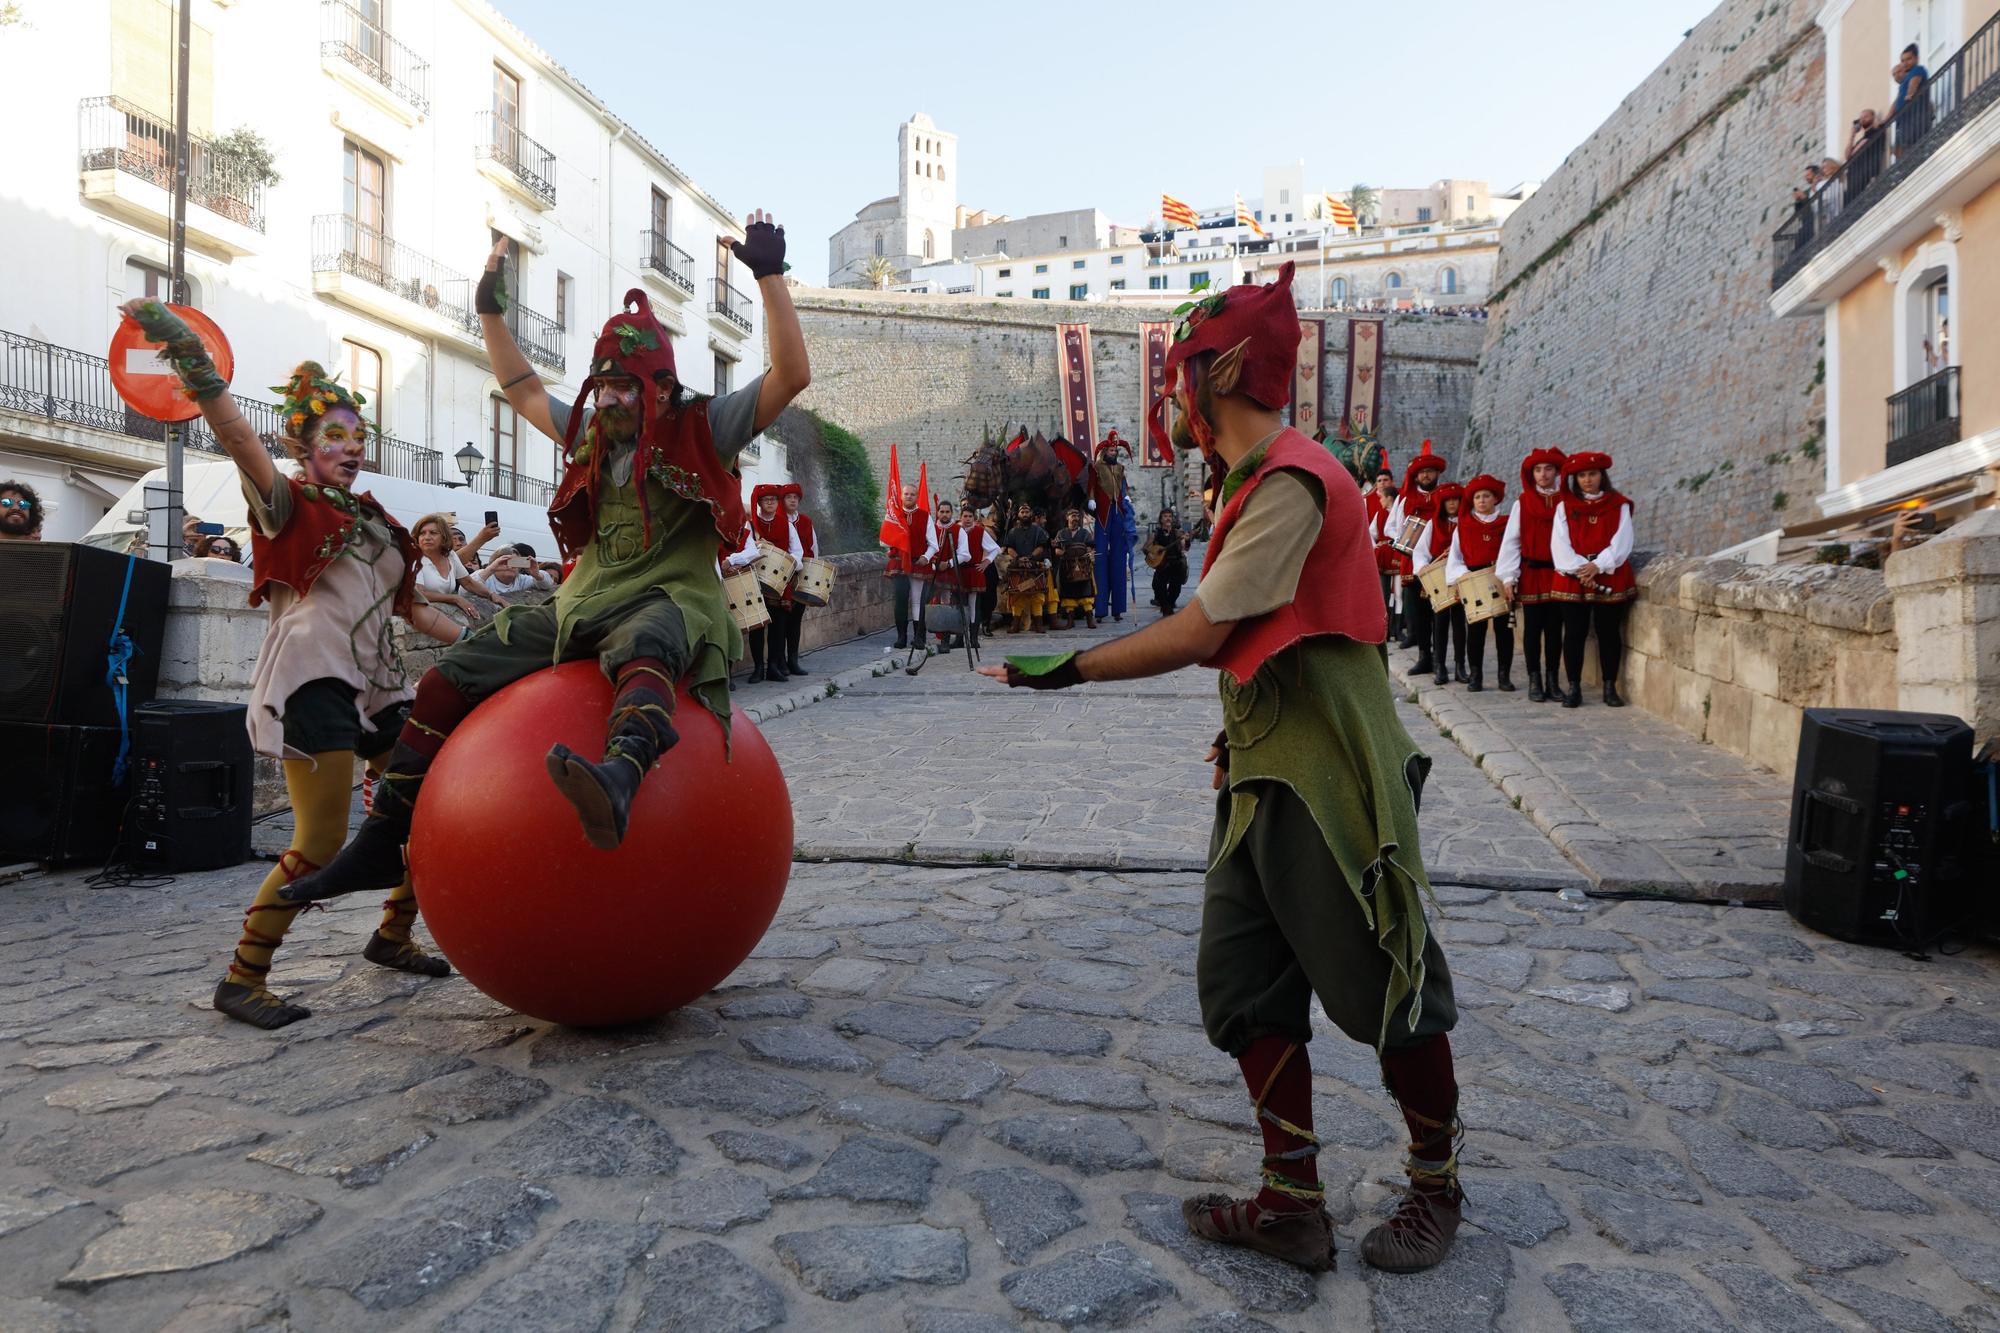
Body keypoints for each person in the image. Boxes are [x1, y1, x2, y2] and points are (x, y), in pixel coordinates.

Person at [982, 262, 1464, 1276]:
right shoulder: (1253, 479)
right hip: (1260, 772)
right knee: (1241, 981)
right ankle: (1291, 1201)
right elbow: (1248, 640)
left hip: (1327, 778)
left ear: (1219, 371)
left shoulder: (1290, 477)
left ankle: (1435, 1183)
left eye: (1180, 370)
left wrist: (1066, 666)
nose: (1169, 392)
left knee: (1388, 982)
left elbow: (1208, 629)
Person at [283, 216, 807, 898]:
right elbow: (524, 388)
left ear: (657, 384)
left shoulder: (702, 424)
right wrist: (488, 311)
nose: (613, 398)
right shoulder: (592, 432)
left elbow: (791, 374)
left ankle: (620, 776)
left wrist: (769, 278)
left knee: (647, 643)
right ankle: (385, 837)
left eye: (627, 385)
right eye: (605, 384)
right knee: (452, 675)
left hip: (670, 600)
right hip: (578, 603)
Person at [116, 303, 469, 1029]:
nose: (351, 446)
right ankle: (243, 977)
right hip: (315, 683)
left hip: (379, 688)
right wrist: (196, 365)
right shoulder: (288, 504)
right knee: (320, 841)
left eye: (358, 435)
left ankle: (391, 935)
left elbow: (412, 609)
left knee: (425, 814)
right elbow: (237, 435)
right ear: (302, 444)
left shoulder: (373, 520)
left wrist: (482, 635)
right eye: (333, 435)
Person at [1550, 451, 1635, 708]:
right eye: (1582, 475)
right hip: (1574, 575)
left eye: (1592, 474)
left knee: (1608, 632)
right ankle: (1574, 686)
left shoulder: (1619, 504)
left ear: (1602, 476)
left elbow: (1623, 540)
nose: (1588, 480)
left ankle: (1610, 686)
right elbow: (1559, 543)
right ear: (1576, 479)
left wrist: (1598, 565)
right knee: (1574, 633)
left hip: (1608, 573)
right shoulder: (1565, 506)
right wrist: (1582, 568)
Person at [1496, 447, 1566, 703]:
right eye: (1538, 470)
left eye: (1548, 469)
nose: (1543, 474)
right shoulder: (1522, 503)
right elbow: (1512, 541)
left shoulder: (1566, 501)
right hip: (1532, 572)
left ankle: (1553, 680)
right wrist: (1508, 577)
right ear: (1532, 473)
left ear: (1557, 472)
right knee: (1533, 629)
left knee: (1555, 629)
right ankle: (1534, 679)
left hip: (1559, 573)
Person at [1447, 474, 1513, 692]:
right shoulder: (1464, 526)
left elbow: (1514, 551)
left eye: (1486, 496)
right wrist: (1463, 577)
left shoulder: (1507, 524)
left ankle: (1504, 675)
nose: (1482, 501)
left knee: (1504, 629)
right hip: (1474, 578)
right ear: (1472, 501)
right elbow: (1455, 556)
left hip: (1500, 576)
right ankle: (1476, 674)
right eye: (1477, 497)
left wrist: (1511, 576)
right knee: (1475, 629)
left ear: (1495, 499)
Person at [1384, 442, 1447, 669]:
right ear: (1417, 476)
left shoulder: (1445, 495)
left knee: (1439, 611)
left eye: (1430, 471)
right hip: (1412, 561)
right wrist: (1406, 536)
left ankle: (1440, 658)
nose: (1426, 475)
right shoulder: (1405, 499)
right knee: (1419, 613)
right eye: (1422, 472)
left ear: (1437, 473)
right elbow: (1391, 528)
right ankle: (1424, 657)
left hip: (1441, 560)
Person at [746, 483, 800, 683]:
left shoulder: (786, 524)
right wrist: (757, 547)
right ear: (759, 503)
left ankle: (774, 667)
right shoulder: (750, 525)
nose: (770, 503)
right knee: (757, 627)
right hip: (756, 581)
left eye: (773, 500)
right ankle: (758, 668)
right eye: (766, 500)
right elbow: (743, 548)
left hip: (779, 583)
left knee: (778, 627)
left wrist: (789, 564)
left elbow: (798, 551)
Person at [1090, 430, 1138, 622]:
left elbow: (1123, 485)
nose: (1113, 452)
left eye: (1114, 450)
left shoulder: (1119, 468)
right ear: (1104, 451)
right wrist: (1091, 499)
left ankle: (1118, 609)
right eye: (1110, 450)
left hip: (1118, 514)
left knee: (1119, 561)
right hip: (1103, 515)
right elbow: (1092, 485)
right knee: (1100, 561)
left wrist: (1125, 495)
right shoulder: (1096, 467)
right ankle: (1100, 610)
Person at [884, 482, 939, 651]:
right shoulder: (894, 515)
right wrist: (891, 547)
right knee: (900, 599)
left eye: (912, 494)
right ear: (901, 496)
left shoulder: (924, 516)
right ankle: (901, 637)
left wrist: (926, 557)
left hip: (918, 563)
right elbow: (884, 539)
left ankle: (919, 637)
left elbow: (933, 544)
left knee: (917, 601)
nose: (909, 497)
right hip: (900, 562)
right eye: (906, 494)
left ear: (916, 497)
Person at [411, 513, 493, 626]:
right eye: (422, 533)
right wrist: (454, 598)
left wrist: (492, 595)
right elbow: (418, 593)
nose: (427, 537)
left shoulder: (451, 555)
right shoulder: (413, 557)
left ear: (444, 537)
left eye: (433, 533)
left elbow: (468, 583)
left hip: (443, 615)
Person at [1421, 483, 1466, 685]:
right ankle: (1440, 665)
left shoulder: (1467, 523)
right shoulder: (1433, 524)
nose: (1452, 503)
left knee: (1459, 623)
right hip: (1439, 578)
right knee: (1439, 622)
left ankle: (1460, 665)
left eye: (1455, 499)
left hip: (1460, 578)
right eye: (1448, 500)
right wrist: (1423, 570)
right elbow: (1421, 551)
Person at [780, 483, 815, 676]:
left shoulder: (806, 521)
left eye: (795, 497)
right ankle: (780, 661)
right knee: (781, 620)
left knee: (796, 619)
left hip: (801, 574)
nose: (793, 500)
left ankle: (793, 659)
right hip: (782, 576)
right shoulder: (776, 521)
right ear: (782, 500)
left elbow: (813, 547)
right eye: (789, 497)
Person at [999, 501, 1050, 634]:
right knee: (1017, 595)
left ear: (1031, 514)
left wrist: (1031, 557)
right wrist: (1018, 559)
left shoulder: (1038, 530)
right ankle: (1015, 624)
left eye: (1027, 512)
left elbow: (1041, 546)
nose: (1025, 514)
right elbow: (1009, 548)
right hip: (1018, 567)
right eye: (1022, 512)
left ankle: (1039, 624)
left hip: (1033, 567)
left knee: (1037, 596)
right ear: (1018, 515)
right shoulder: (1013, 531)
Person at [1052, 506, 1098, 629]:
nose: (1075, 518)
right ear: (1067, 518)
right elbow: (1057, 551)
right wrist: (1068, 553)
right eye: (1073, 516)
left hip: (1083, 567)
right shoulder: (1062, 533)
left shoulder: (1085, 533)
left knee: (1086, 593)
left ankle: (1090, 620)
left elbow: (1090, 548)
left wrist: (1084, 553)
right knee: (1068, 594)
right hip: (1067, 568)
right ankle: (1070, 621)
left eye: (1077, 516)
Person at [1146, 508, 1193, 615]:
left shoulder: (1177, 532)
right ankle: (1166, 608)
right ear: (1161, 519)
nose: (1168, 518)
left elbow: (1186, 548)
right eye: (1165, 516)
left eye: (1170, 516)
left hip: (1176, 565)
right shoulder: (1156, 533)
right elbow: (1146, 547)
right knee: (1159, 589)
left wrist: (1187, 540)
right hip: (1161, 565)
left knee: (1175, 590)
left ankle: (1169, 606)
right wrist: (1149, 554)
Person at [1890, 43, 1931, 158]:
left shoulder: (1918, 69)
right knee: (1900, 151)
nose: (1905, 63)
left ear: (1916, 58)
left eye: (1908, 59)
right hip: (1904, 122)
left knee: (1913, 148)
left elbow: (1915, 81)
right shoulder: (1903, 82)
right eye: (1903, 60)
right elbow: (1896, 101)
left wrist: (1910, 94)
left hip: (1915, 118)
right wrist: (1885, 120)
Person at [483, 543, 555, 597]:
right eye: (506, 562)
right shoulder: (486, 576)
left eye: (515, 562)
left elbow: (547, 584)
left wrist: (537, 575)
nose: (510, 566)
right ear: (495, 562)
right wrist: (490, 570)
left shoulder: (521, 580)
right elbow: (472, 582)